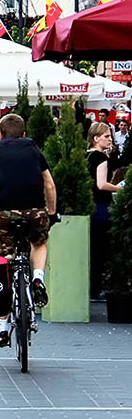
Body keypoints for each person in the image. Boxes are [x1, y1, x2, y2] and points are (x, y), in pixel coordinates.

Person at [0, 113, 58, 348]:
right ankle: (38, 279)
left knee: (1, 262)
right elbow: (49, 184)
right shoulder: (33, 149)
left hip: (3, 213)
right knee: (39, 243)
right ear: (24, 133)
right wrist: (51, 212)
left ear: (0, 134)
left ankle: (2, 328)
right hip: (34, 211)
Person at [86, 122, 121, 301]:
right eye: (106, 136)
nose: (110, 140)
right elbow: (101, 184)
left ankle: (91, 287)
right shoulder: (101, 158)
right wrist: (120, 188)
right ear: (96, 138)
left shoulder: (87, 156)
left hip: (89, 206)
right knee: (100, 249)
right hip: (101, 207)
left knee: (92, 249)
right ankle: (96, 289)